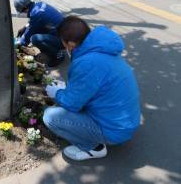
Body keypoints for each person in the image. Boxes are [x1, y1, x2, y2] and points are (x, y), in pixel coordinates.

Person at [43, 16, 141, 161]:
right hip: (124, 121)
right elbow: (94, 85)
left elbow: (72, 104)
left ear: (70, 44)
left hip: (114, 130)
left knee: (51, 117)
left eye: (63, 43)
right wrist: (67, 90)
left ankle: (93, 148)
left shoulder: (87, 63)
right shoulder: (101, 49)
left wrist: (57, 93)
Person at [14, 0, 64, 67]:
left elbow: (29, 33)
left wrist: (19, 45)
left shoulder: (37, 15)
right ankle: (49, 49)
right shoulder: (39, 5)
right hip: (62, 31)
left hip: (63, 40)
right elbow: (34, 23)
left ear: (25, 8)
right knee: (36, 32)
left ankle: (58, 55)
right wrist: (25, 27)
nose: (22, 14)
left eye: (22, 12)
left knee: (35, 39)